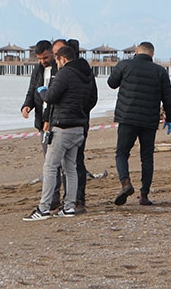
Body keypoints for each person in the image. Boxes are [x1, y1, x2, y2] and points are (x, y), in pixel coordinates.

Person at [23, 45, 96, 221]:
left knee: (50, 166)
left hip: (63, 126)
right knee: (70, 168)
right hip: (79, 125)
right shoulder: (84, 74)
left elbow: (51, 97)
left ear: (62, 59)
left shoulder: (65, 73)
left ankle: (43, 208)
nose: (56, 63)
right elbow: (91, 98)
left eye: (57, 59)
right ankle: (69, 206)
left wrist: (42, 91)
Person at [107, 41, 171, 206]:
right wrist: (170, 118)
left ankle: (126, 183)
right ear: (152, 54)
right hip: (149, 120)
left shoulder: (124, 65)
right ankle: (144, 195)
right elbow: (168, 96)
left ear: (136, 52)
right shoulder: (160, 71)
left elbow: (111, 83)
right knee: (147, 157)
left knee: (122, 153)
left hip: (127, 117)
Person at [53, 38, 98, 214]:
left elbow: (91, 97)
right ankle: (72, 200)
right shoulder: (84, 70)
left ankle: (75, 200)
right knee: (72, 162)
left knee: (71, 163)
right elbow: (93, 97)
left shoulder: (71, 71)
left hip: (72, 121)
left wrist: (77, 109)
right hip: (79, 119)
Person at [20, 40, 61, 210]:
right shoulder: (37, 70)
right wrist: (26, 106)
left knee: (59, 163)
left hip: (56, 120)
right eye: (39, 58)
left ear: (52, 53)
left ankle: (65, 198)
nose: (42, 61)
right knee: (48, 162)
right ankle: (53, 197)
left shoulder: (60, 70)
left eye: (45, 57)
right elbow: (31, 91)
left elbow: (56, 97)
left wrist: (49, 119)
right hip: (41, 123)